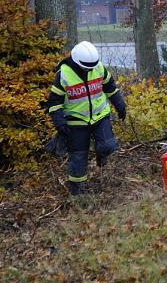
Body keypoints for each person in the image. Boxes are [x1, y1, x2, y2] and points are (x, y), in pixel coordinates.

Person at [47, 41, 126, 195]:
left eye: (92, 66)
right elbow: (54, 102)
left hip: (100, 116)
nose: (90, 69)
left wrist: (119, 104)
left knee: (108, 145)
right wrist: (60, 122)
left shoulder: (97, 66)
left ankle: (101, 155)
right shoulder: (63, 74)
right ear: (76, 62)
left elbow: (110, 87)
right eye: (86, 67)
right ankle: (77, 192)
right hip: (76, 122)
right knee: (78, 158)